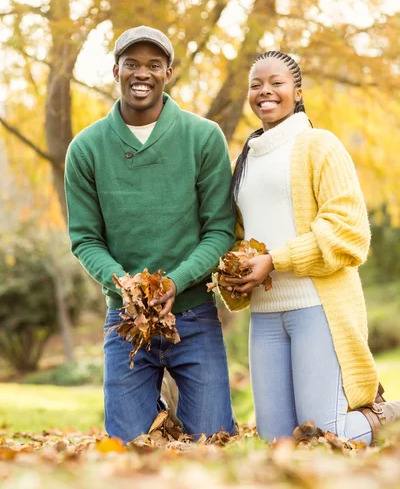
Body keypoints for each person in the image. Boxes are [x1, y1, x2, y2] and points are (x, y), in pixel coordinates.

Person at [65, 25, 236, 443]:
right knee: (128, 449)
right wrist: (122, 284)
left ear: (168, 73)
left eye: (153, 65)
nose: (142, 73)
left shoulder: (203, 137)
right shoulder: (86, 148)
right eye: (132, 64)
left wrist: (176, 282)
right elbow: (85, 239)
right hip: (125, 321)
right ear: (116, 71)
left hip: (193, 315)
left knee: (213, 442)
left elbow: (219, 231)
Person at [221, 50, 400, 444]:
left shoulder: (319, 145)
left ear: (297, 92)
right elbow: (237, 237)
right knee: (279, 443)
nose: (264, 91)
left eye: (276, 83)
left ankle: (391, 419)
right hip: (266, 316)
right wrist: (234, 276)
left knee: (325, 435)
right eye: (255, 85)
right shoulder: (244, 160)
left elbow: (349, 232)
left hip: (316, 307)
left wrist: (276, 260)